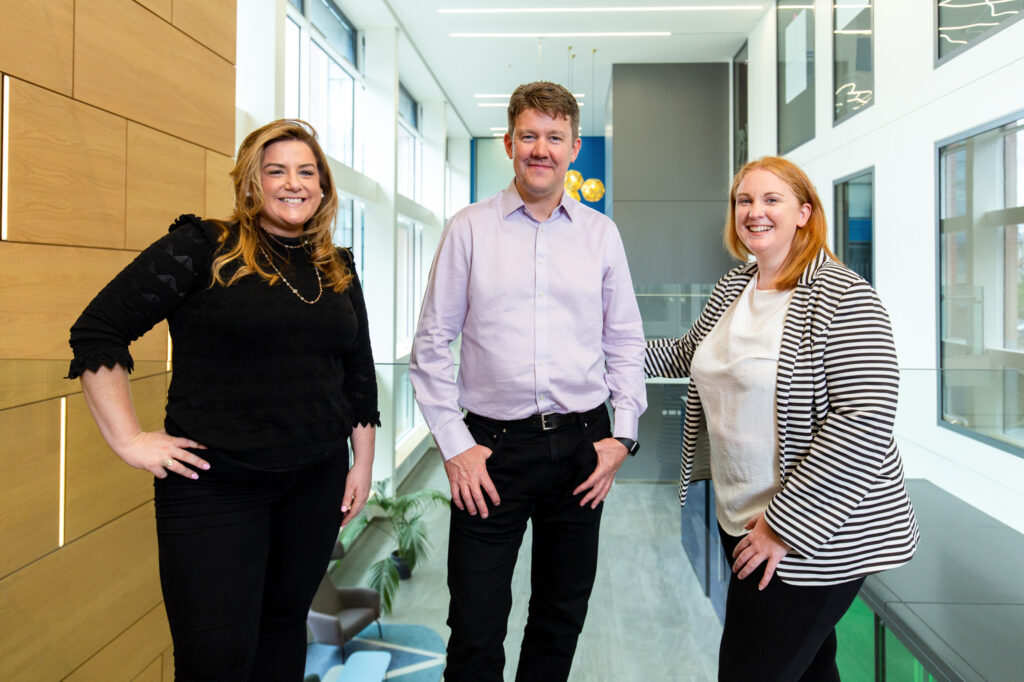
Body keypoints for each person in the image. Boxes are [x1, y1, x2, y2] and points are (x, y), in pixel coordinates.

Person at [67, 119, 378, 681]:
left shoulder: (338, 266)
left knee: (283, 635)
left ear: (324, 187)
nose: (293, 183)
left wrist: (363, 462)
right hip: (214, 487)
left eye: (307, 171)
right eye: (275, 169)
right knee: (216, 659)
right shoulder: (203, 247)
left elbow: (357, 370)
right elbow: (98, 330)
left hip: (315, 482)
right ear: (251, 182)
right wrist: (130, 439)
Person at [646, 156, 920, 680]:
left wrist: (781, 528)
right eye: (744, 200)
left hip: (812, 536)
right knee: (812, 670)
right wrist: (602, 353)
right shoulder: (736, 285)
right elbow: (688, 354)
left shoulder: (844, 295)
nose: (755, 211)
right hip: (743, 518)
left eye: (772, 199)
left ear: (804, 212)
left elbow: (863, 422)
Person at [409, 81, 647, 682]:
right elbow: (431, 347)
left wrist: (624, 437)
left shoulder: (601, 235)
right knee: (475, 625)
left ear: (573, 148)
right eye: (530, 136)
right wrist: (455, 447)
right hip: (490, 452)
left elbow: (624, 342)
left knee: (561, 615)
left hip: (582, 448)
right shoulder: (467, 229)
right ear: (510, 143)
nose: (541, 149)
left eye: (555, 137)